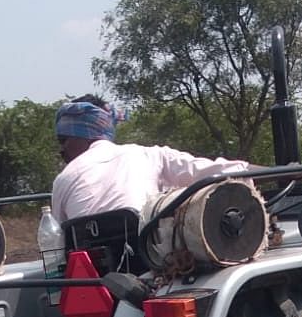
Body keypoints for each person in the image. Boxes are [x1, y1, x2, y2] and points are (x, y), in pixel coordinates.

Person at [49, 95, 253, 224]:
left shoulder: (64, 179)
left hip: (90, 283)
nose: (61, 150)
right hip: (151, 268)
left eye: (63, 140)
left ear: (82, 133)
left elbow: (58, 246)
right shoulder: (149, 155)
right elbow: (219, 170)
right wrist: (281, 171)